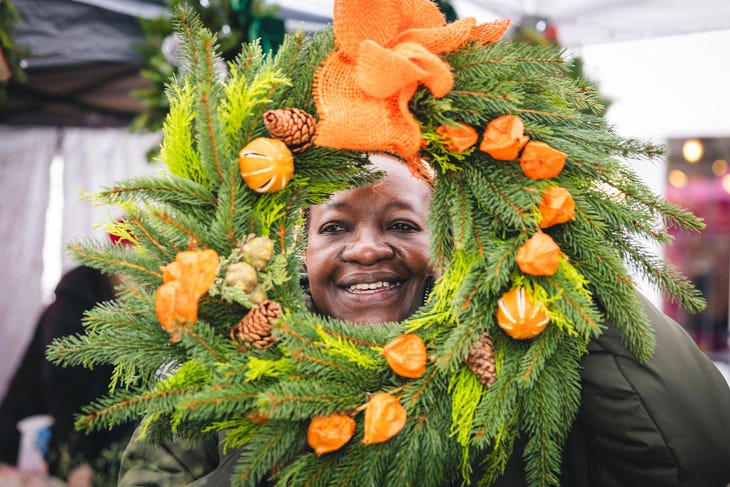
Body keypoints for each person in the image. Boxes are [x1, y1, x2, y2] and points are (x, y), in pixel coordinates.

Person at [116, 153, 730, 486]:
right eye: (333, 228)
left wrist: (568, 269)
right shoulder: (217, 384)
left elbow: (699, 456)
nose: (364, 250)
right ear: (297, 258)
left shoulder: (526, 374)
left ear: (455, 246)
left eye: (402, 225)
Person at [0, 264, 136, 486]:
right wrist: (77, 462)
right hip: (33, 448)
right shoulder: (74, 302)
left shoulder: (143, 318)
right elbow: (65, 389)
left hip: (100, 457)